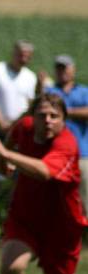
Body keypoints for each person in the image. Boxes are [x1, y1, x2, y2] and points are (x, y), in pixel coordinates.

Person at [0, 94, 86, 274]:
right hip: (26, 219)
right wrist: (3, 158)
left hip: (62, 230)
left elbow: (44, 171)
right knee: (10, 269)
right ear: (33, 116)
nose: (48, 121)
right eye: (42, 115)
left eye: (55, 116)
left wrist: (4, 153)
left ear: (64, 120)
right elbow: (9, 143)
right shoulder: (24, 127)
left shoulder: (67, 144)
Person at [0, 40, 37, 239]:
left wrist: (17, 125)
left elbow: (30, 107)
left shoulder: (30, 78)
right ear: (14, 53)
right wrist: (3, 124)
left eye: (27, 55)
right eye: (21, 53)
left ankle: (12, 221)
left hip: (20, 133)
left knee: (18, 179)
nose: (23, 58)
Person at [40, 54, 88, 216]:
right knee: (56, 202)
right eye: (58, 68)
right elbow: (39, 107)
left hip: (82, 154)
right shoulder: (50, 91)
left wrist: (64, 111)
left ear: (73, 70)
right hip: (54, 155)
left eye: (65, 68)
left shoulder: (83, 91)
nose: (62, 72)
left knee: (85, 199)